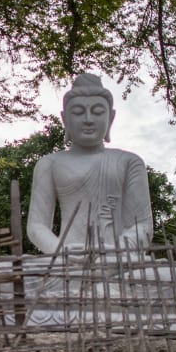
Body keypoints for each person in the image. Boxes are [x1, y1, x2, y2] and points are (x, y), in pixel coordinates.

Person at [27, 72, 153, 257]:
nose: (88, 119)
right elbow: (36, 226)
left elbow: (142, 224)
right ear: (65, 119)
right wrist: (61, 252)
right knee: (10, 273)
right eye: (78, 112)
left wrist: (119, 249)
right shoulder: (49, 164)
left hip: (117, 260)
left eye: (98, 112)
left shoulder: (130, 162)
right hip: (66, 261)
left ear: (111, 118)